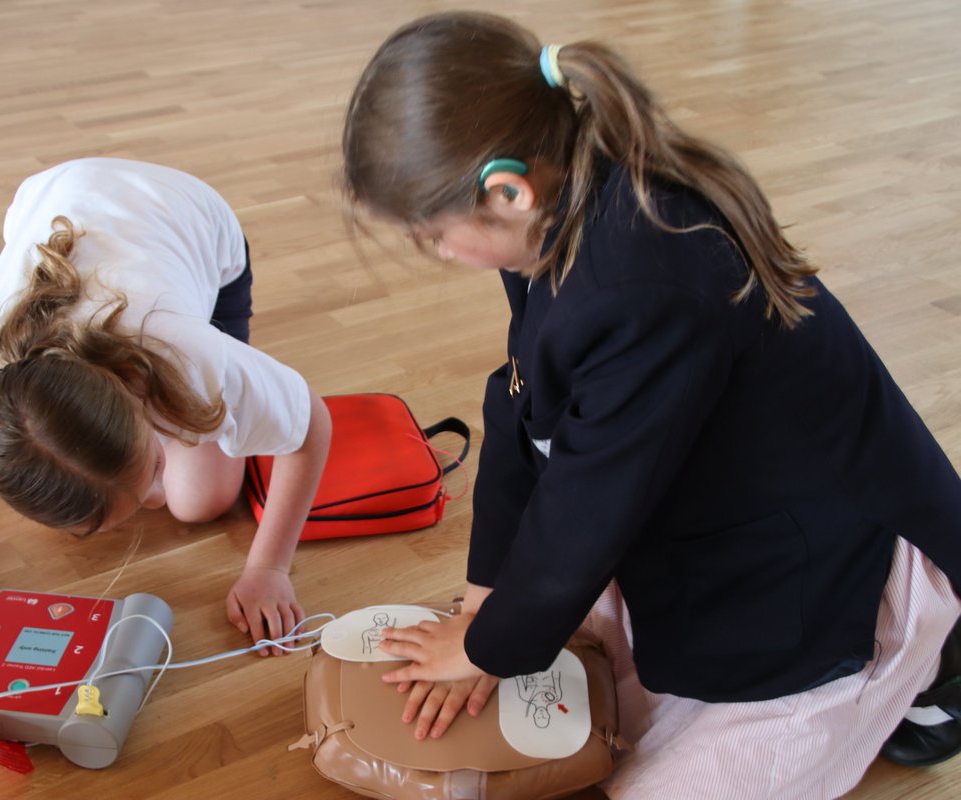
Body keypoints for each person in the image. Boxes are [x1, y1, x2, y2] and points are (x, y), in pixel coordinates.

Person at [341, 12, 961, 798]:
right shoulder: (559, 209)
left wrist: (490, 647)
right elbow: (521, 400)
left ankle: (923, 661)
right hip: (719, 501)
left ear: (506, 188)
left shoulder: (643, 282)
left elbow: (590, 501)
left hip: (826, 563)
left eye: (432, 235)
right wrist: (489, 596)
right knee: (584, 679)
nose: (438, 254)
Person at [0, 158, 331, 685]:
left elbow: (313, 426)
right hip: (49, 198)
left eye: (154, 465)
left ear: (138, 400)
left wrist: (268, 568)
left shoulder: (190, 357)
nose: (155, 499)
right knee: (187, 493)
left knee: (200, 502)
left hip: (194, 217)